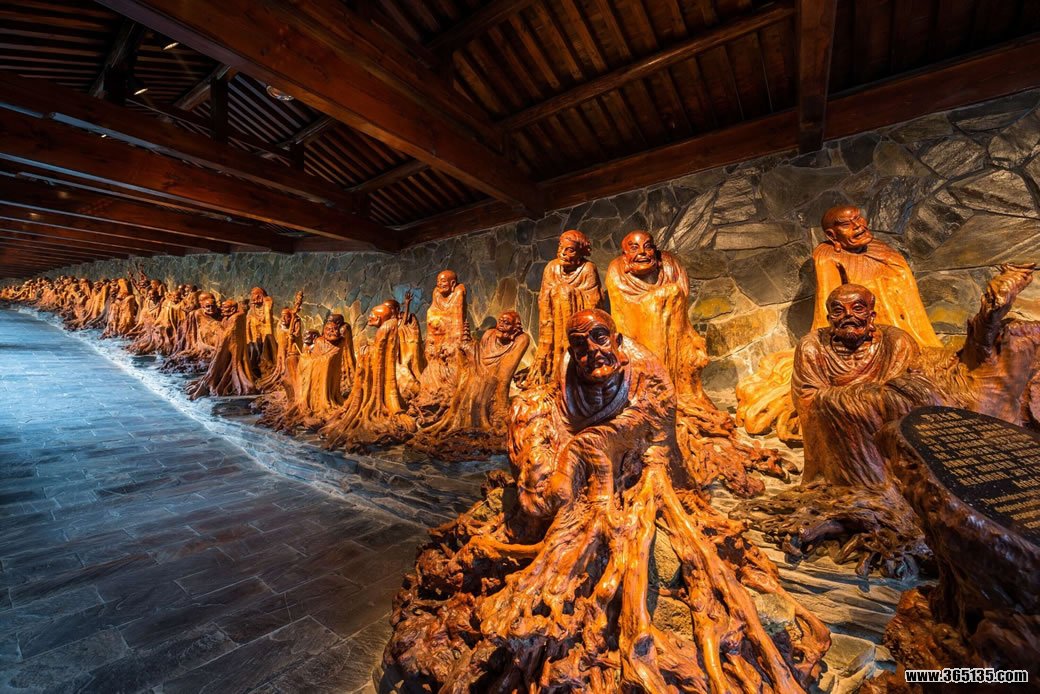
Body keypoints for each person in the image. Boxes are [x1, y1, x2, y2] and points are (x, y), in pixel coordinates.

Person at [523, 230, 604, 387]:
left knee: (564, 291)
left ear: (580, 253)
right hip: (554, 328)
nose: (563, 253)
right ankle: (553, 370)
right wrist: (560, 294)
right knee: (562, 291)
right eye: (561, 247)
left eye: (570, 250)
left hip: (578, 327)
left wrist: (568, 294)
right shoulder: (552, 268)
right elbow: (544, 298)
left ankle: (572, 368)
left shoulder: (588, 269)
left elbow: (593, 302)